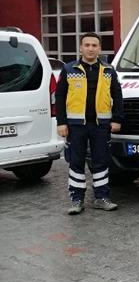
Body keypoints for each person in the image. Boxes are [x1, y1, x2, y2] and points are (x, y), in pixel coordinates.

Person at [55, 32, 123, 215]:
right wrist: (61, 122)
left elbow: (117, 95)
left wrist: (117, 119)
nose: (91, 49)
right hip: (76, 125)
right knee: (76, 162)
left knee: (101, 161)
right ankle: (77, 200)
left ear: (99, 48)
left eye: (94, 45)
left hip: (101, 125)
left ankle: (101, 198)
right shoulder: (69, 69)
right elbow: (59, 97)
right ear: (80, 48)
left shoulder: (108, 70)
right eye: (87, 45)